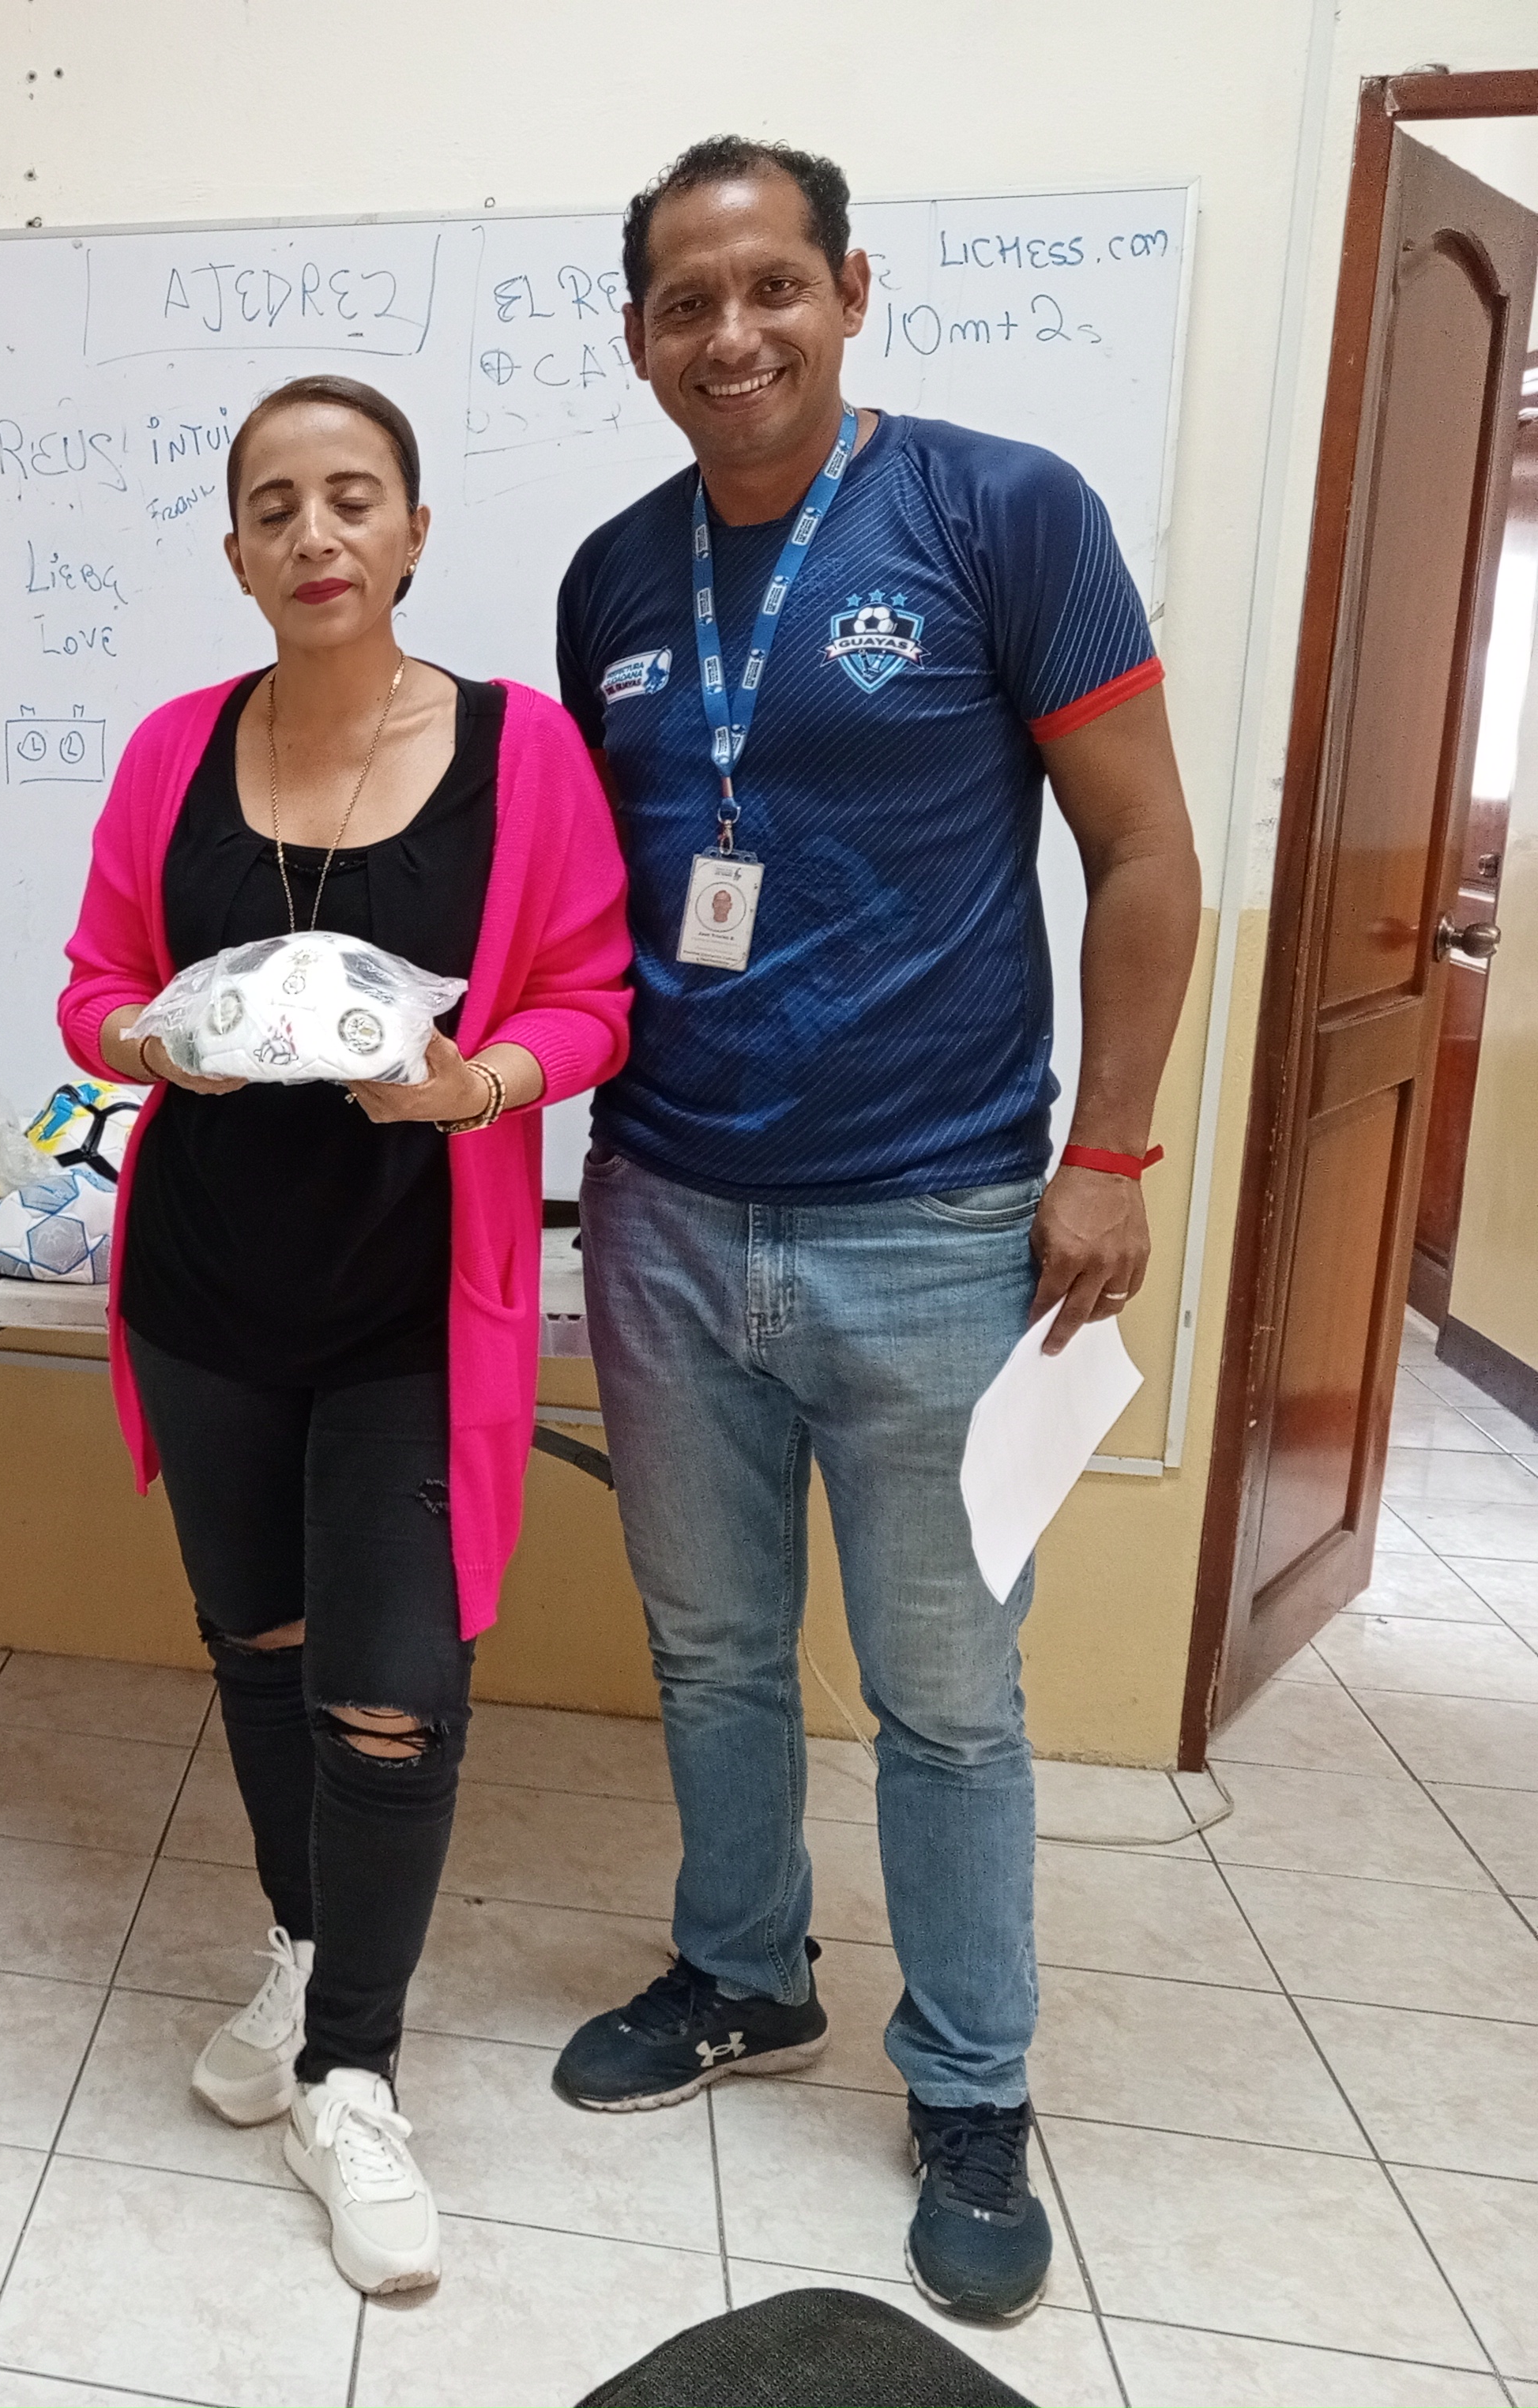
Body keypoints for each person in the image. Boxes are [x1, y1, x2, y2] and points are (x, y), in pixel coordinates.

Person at [549, 139, 1200, 2323]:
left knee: (943, 1694)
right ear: (638, 337)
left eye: (771, 289)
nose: (730, 336)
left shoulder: (1004, 514)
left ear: (847, 291)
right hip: (662, 1203)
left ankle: (972, 2084)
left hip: (934, 1213)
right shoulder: (613, 579)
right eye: (685, 303)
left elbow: (1146, 855)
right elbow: (606, 892)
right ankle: (744, 1973)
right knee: (713, 1651)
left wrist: (1108, 1155)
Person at [58, 376, 634, 2295]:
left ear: (410, 534)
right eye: (275, 506)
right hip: (207, 1291)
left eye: (352, 498)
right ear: (236, 551)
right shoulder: (171, 748)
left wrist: (476, 1088)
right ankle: (307, 1961)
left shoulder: (522, 752)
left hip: (412, 1307)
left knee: (389, 1694)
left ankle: (353, 2078)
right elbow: (94, 984)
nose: (314, 534)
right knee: (263, 1652)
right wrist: (145, 1041)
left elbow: (594, 997)